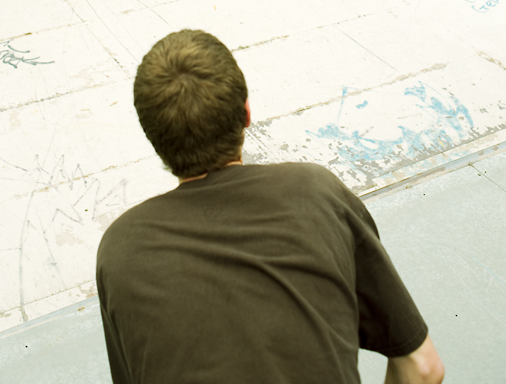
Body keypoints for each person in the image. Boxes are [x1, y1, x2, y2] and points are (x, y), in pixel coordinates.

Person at [96, 29, 445, 384]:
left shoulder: (121, 250)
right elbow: (423, 367)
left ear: (154, 137)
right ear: (246, 113)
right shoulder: (315, 194)